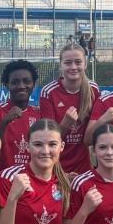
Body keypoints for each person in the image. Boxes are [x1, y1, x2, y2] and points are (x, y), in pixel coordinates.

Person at [38, 43, 100, 175]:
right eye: (68, 63)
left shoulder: (93, 89)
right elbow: (47, 139)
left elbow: (94, 133)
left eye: (78, 62)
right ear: (60, 65)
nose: (73, 67)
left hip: (85, 168)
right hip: (56, 168)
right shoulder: (49, 92)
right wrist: (66, 123)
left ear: (85, 64)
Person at [0, 60, 40, 173]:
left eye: (27, 81)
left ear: (33, 84)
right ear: (7, 85)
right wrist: (5, 122)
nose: (21, 86)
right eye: (15, 82)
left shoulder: (39, 114)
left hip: (32, 182)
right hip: (2, 181)